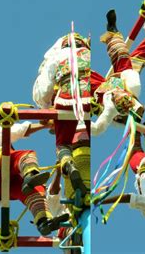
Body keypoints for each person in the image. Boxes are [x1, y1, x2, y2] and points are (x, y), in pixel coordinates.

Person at [0, 117, 69, 235]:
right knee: (25, 155)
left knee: (36, 191)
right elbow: (19, 130)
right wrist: (45, 125)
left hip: (1, 188)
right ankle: (30, 175)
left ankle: (43, 222)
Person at [33, 30, 91, 193]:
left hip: (67, 99)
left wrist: (45, 111)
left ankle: (67, 162)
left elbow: (43, 90)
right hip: (90, 97)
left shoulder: (56, 58)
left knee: (62, 144)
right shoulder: (88, 54)